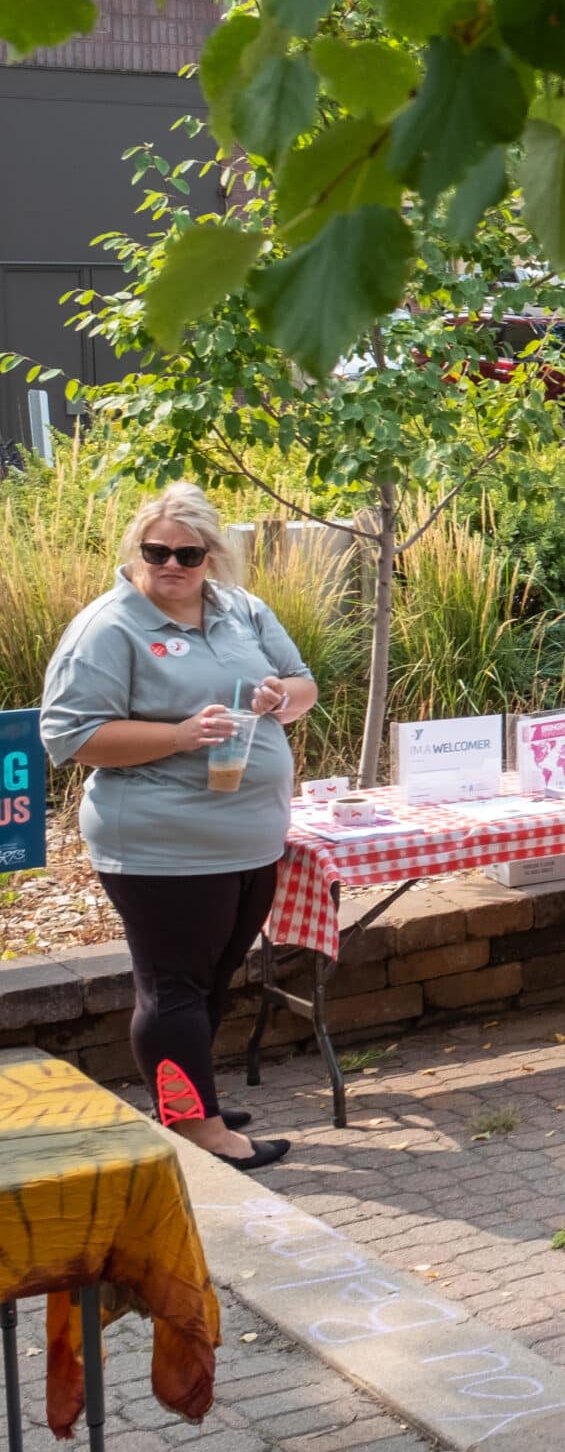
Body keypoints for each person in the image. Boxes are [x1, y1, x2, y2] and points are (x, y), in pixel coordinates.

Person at [39, 484, 318, 1170]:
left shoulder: (241, 610)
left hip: (250, 837)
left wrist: (281, 699)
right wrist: (181, 735)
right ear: (139, 549)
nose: (170, 564)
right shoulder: (110, 627)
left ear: (210, 555)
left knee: (211, 980)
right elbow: (70, 736)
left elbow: (303, 684)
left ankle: (193, 1101)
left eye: (186, 553)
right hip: (161, 845)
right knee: (173, 990)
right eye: (156, 550)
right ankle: (200, 1132)